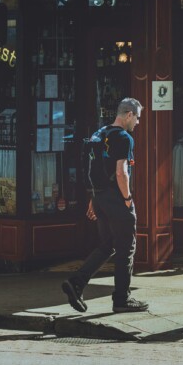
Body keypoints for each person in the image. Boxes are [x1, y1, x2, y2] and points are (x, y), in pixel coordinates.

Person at [62, 97, 149, 315]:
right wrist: (128, 199)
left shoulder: (97, 134)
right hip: (116, 199)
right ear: (129, 115)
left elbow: (93, 168)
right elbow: (121, 172)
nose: (138, 122)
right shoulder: (124, 138)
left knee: (108, 244)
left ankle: (77, 282)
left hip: (99, 197)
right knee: (126, 249)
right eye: (137, 118)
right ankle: (122, 299)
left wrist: (94, 197)